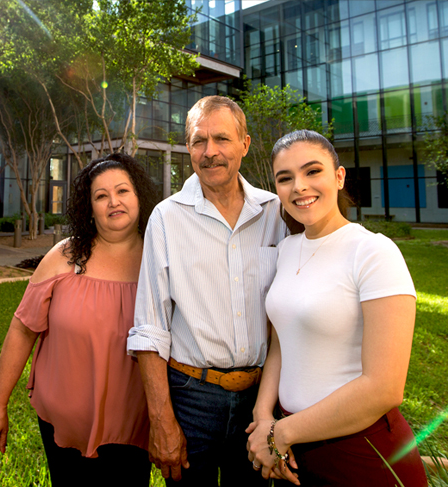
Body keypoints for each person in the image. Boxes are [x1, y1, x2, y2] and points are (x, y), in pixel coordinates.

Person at [245, 130, 428, 486]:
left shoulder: (373, 252)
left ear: (339, 177)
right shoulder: (286, 250)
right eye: (285, 178)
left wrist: (281, 434)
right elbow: (283, 342)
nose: (299, 186)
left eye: (312, 171)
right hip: (294, 454)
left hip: (361, 451)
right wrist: (263, 413)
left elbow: (385, 387)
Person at [127, 95, 288, 486]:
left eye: (222, 139)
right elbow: (150, 328)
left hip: (261, 400)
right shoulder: (166, 218)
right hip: (190, 398)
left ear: (245, 145)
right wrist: (162, 420)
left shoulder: (275, 213)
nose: (210, 152)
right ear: (188, 148)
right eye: (199, 141)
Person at [0, 153, 158, 486]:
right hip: (61, 428)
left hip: (134, 427)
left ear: (140, 197)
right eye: (101, 196)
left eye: (123, 191)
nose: (113, 202)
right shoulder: (64, 256)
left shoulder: (160, 260)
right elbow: (21, 330)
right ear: (89, 208)